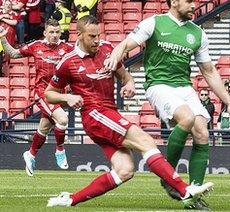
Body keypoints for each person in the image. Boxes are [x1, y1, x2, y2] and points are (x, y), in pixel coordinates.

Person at [44, 16, 212, 208]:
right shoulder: (68, 62)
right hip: (94, 115)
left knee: (125, 170)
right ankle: (184, 190)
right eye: (92, 36)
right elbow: (49, 94)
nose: (97, 40)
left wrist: (129, 85)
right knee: (146, 142)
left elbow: (125, 77)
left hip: (109, 113)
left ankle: (70, 199)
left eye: (98, 35)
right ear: (79, 35)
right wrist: (68, 98)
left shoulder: (107, 50)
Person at [104, 0, 230, 209]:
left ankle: (193, 194)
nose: (193, 5)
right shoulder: (154, 23)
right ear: (174, 2)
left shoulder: (197, 33)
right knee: (186, 118)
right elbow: (126, 44)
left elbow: (209, 71)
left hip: (183, 87)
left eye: (193, 1)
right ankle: (169, 176)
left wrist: (229, 102)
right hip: (159, 85)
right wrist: (115, 56)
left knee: (202, 132)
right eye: (189, 1)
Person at [0, 19, 73, 176]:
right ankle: (60, 150)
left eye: (57, 32)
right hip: (43, 92)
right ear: (45, 33)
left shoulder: (67, 48)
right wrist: (3, 38)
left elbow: (84, 56)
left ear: (61, 33)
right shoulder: (36, 46)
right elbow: (13, 53)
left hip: (59, 93)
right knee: (63, 120)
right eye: (51, 32)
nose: (54, 35)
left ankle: (31, 154)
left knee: (44, 128)